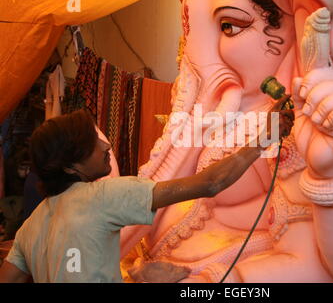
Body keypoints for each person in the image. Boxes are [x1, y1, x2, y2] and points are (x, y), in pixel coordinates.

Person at [0, 95, 294, 283]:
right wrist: (266, 136)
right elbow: (211, 182)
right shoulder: (104, 197)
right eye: (94, 143)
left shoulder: (31, 226)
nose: (106, 145)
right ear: (69, 166)